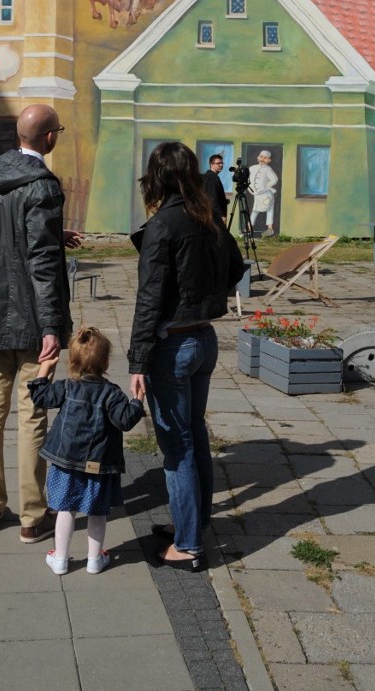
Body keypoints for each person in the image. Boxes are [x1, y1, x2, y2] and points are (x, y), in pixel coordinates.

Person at [0, 103, 81, 543]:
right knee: (33, 414)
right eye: (59, 132)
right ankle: (33, 515)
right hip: (31, 317)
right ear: (49, 138)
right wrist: (52, 325)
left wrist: (56, 235)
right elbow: (42, 262)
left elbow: (0, 233)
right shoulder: (43, 186)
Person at [128, 142, 244, 571]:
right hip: (203, 340)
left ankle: (190, 545)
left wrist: (137, 361)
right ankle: (191, 524)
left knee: (177, 447)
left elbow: (149, 298)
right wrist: (204, 300)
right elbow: (237, 268)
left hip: (173, 346)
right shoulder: (209, 219)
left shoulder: (164, 225)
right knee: (194, 436)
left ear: (156, 179)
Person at [28, 326, 145, 575]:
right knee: (97, 512)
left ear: (72, 360)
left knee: (65, 509)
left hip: (66, 462)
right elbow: (125, 421)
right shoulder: (112, 393)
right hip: (99, 465)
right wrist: (137, 401)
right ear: (105, 361)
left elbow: (40, 398)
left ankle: (60, 559)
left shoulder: (67, 387)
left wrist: (45, 369)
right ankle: (94, 559)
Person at [249, 149, 279, 237]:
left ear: (269, 160)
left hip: (266, 194)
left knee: (269, 210)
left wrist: (266, 186)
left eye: (265, 158)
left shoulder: (268, 169)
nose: (262, 159)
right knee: (255, 210)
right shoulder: (252, 168)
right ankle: (249, 227)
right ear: (258, 157)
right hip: (257, 194)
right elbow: (247, 178)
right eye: (261, 157)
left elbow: (274, 179)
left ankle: (270, 228)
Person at [202, 154, 228, 223]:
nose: (221, 165)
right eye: (218, 163)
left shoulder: (209, 176)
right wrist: (220, 215)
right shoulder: (212, 178)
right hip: (214, 217)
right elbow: (212, 198)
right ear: (211, 164)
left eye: (222, 163)